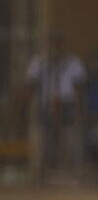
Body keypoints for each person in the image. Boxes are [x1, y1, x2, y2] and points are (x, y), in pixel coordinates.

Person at [26, 34, 87, 183]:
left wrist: (79, 109)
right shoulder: (39, 62)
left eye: (59, 45)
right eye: (53, 45)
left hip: (67, 102)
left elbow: (80, 87)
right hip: (45, 103)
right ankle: (41, 173)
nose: (56, 48)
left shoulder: (72, 62)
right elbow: (31, 85)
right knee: (44, 138)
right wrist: (31, 107)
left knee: (70, 137)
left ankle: (73, 171)